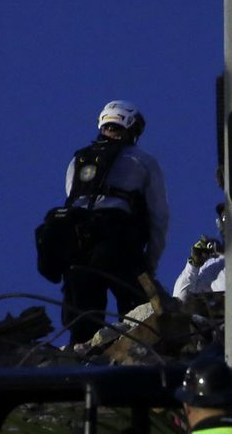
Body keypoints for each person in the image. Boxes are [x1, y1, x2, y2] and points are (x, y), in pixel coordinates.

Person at [57, 100, 168, 345]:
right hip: (117, 242)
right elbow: (159, 216)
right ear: (131, 127)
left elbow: (71, 199)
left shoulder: (77, 161)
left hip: (76, 247)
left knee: (82, 325)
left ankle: (79, 368)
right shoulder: (142, 160)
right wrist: (149, 263)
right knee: (138, 319)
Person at [172, 235, 224, 300]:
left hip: (226, 262)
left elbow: (190, 273)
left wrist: (203, 250)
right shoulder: (181, 302)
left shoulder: (180, 295)